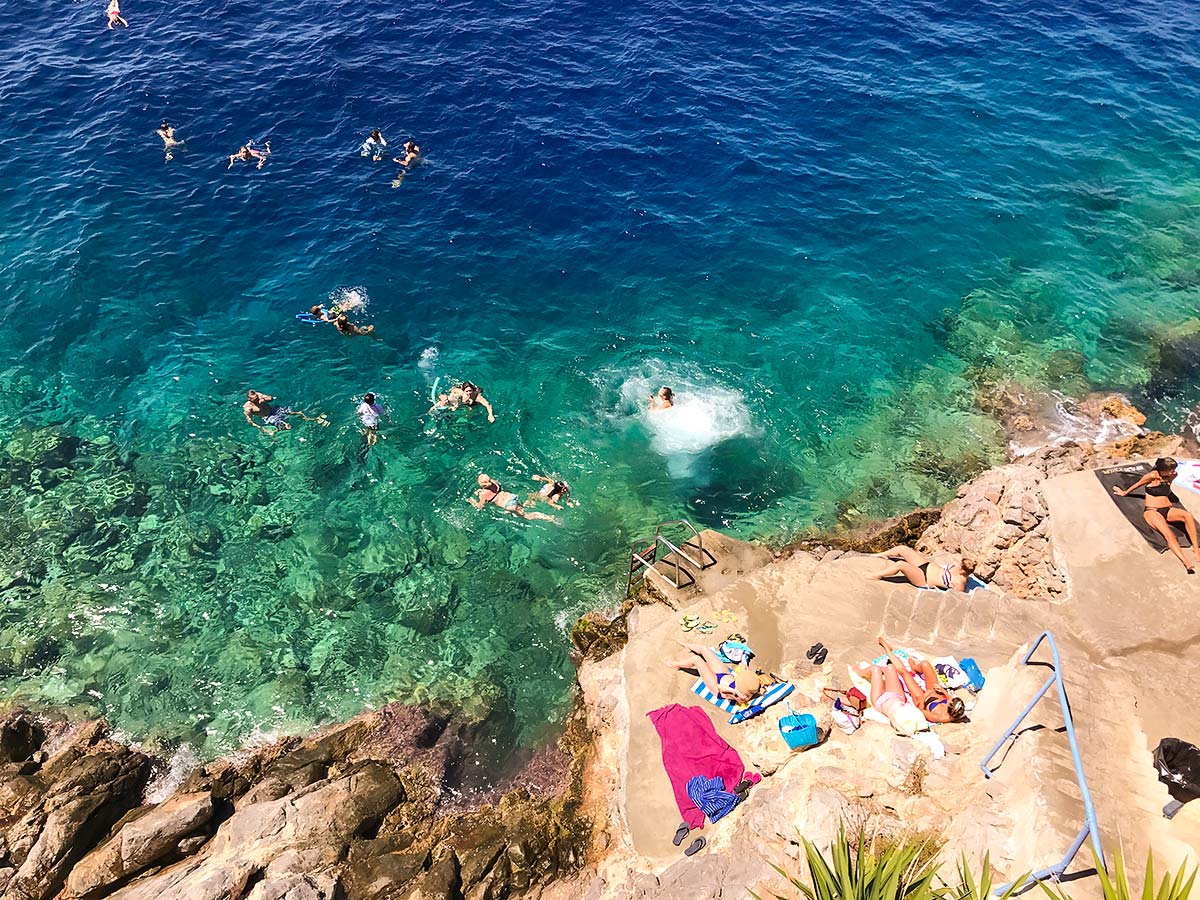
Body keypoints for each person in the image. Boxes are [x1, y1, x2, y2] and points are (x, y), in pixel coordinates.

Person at [1113, 457, 1200, 573]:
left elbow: (1167, 488)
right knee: (1170, 535)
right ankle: (1185, 561)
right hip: (1153, 511)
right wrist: (1124, 493)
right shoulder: (1151, 476)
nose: (1173, 472)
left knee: (1188, 515)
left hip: (1168, 510)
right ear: (1161, 469)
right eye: (1170, 470)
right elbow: (1137, 484)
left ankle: (1196, 548)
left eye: (1173, 469)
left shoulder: (1173, 475)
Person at [872, 637, 965, 724]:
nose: (949, 700)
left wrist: (924, 698)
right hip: (934, 693)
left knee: (904, 673)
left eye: (949, 702)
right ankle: (914, 667)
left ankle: (887, 649)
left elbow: (921, 712)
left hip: (921, 699)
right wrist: (943, 691)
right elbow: (950, 699)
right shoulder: (954, 707)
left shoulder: (938, 716)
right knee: (925, 664)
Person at [667, 641, 761, 704]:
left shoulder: (741, 696)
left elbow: (720, 688)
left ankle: (676, 665)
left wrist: (734, 691)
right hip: (725, 675)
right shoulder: (751, 686)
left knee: (697, 660)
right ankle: (688, 645)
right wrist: (745, 669)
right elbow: (742, 666)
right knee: (704, 649)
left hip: (716, 686)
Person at [869, 545, 975, 592]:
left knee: (901, 564)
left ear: (962, 571)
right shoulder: (958, 569)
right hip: (926, 565)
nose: (957, 564)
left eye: (960, 565)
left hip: (923, 579)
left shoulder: (959, 583)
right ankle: (882, 554)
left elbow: (956, 598)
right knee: (903, 549)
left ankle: (877, 575)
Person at [469, 474, 556, 521]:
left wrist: (472, 501)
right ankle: (532, 502)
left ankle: (548, 518)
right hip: (512, 496)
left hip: (509, 505)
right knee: (521, 508)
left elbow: (480, 506)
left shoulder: (483, 494)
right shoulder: (494, 483)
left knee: (527, 516)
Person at [242, 390, 327, 432]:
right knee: (286, 425)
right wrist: (262, 428)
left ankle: (311, 419)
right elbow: (250, 421)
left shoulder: (259, 396)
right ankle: (304, 429)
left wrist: (265, 399)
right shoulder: (247, 408)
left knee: (296, 411)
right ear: (249, 399)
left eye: (257, 397)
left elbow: (271, 398)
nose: (257, 399)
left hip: (274, 410)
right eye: (255, 399)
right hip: (268, 417)